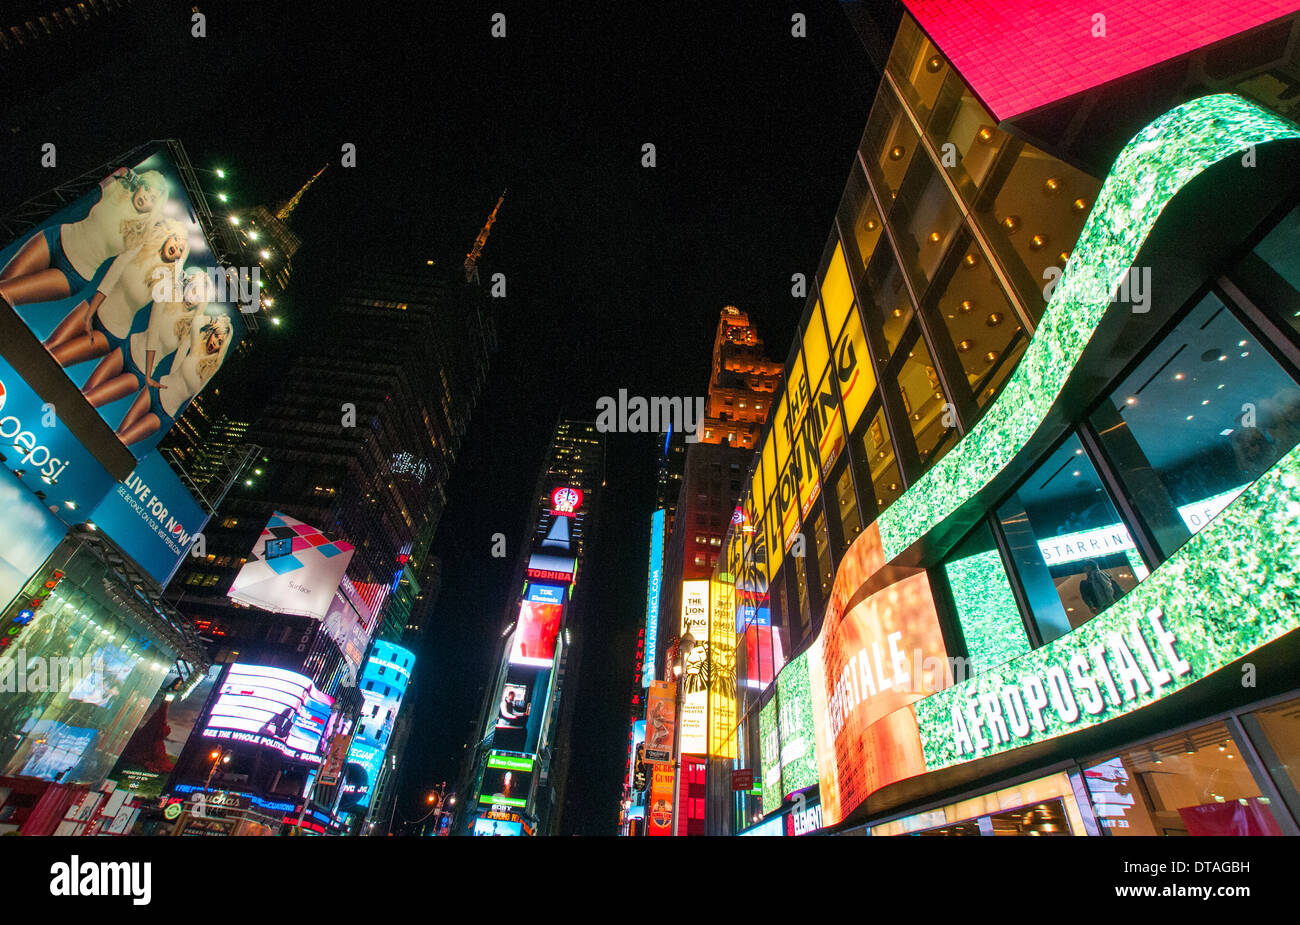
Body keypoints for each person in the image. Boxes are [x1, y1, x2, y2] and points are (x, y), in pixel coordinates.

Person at [0, 167, 168, 309]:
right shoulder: (117, 190)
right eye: (146, 188)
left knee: (5, 294)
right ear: (139, 184)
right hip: (55, 239)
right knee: (3, 283)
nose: (146, 197)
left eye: (153, 199)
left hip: (73, 274)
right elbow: (102, 179)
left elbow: (120, 268)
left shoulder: (141, 232)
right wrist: (120, 174)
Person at [42, 218, 189, 371]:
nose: (177, 247)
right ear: (168, 234)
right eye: (177, 239)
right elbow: (111, 276)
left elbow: (155, 324)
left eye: (181, 249)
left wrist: (149, 371)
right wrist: (89, 313)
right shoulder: (140, 247)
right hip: (93, 306)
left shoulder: (165, 283)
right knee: (48, 346)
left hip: (112, 333)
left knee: (58, 357)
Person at [78, 266, 213, 407]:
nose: (194, 297)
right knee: (85, 390)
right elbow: (153, 331)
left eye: (199, 297)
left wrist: (163, 383)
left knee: (93, 399)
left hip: (140, 373)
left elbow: (179, 363)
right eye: (194, 289)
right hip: (128, 348)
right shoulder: (170, 297)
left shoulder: (189, 327)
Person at [113, 310, 233, 447]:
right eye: (216, 336)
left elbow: (193, 397)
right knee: (117, 434)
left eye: (220, 342)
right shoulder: (195, 347)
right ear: (211, 332)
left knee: (124, 441)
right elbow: (197, 321)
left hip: (165, 413)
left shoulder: (210, 369)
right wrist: (213, 320)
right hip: (155, 391)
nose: (215, 343)